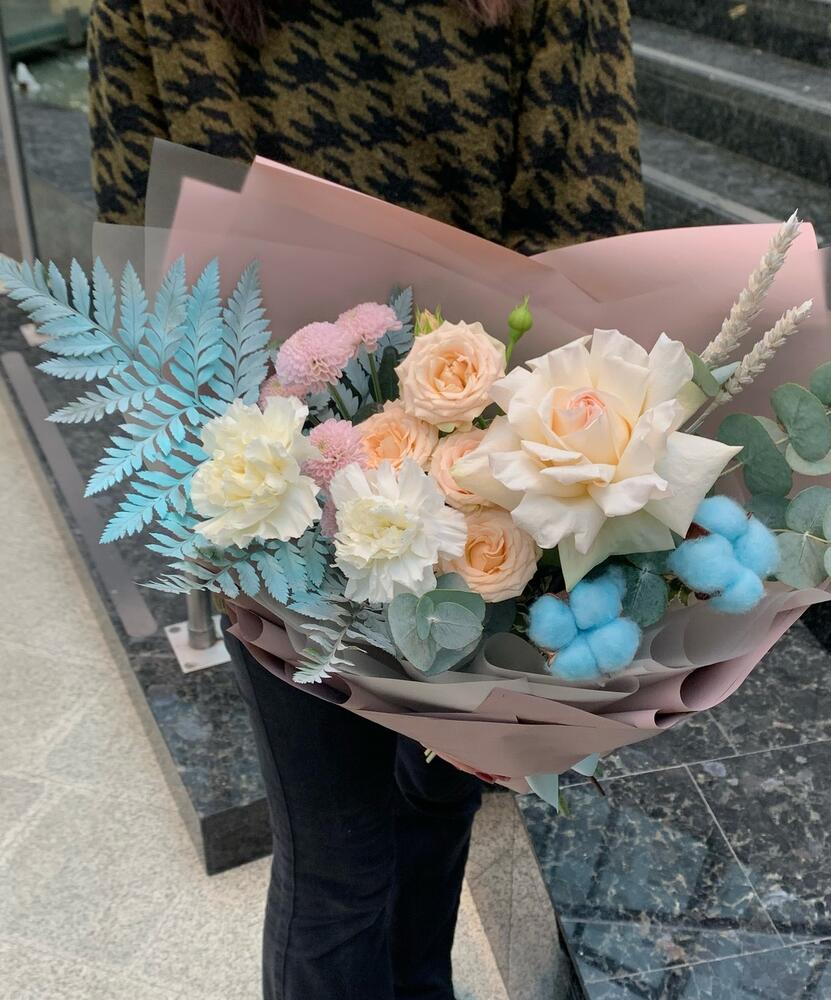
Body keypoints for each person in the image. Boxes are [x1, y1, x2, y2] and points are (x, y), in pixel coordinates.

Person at [88, 2, 643, 998]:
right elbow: (595, 257)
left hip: (370, 491)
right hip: (426, 488)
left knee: (366, 842)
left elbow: (142, 260)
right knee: (381, 835)